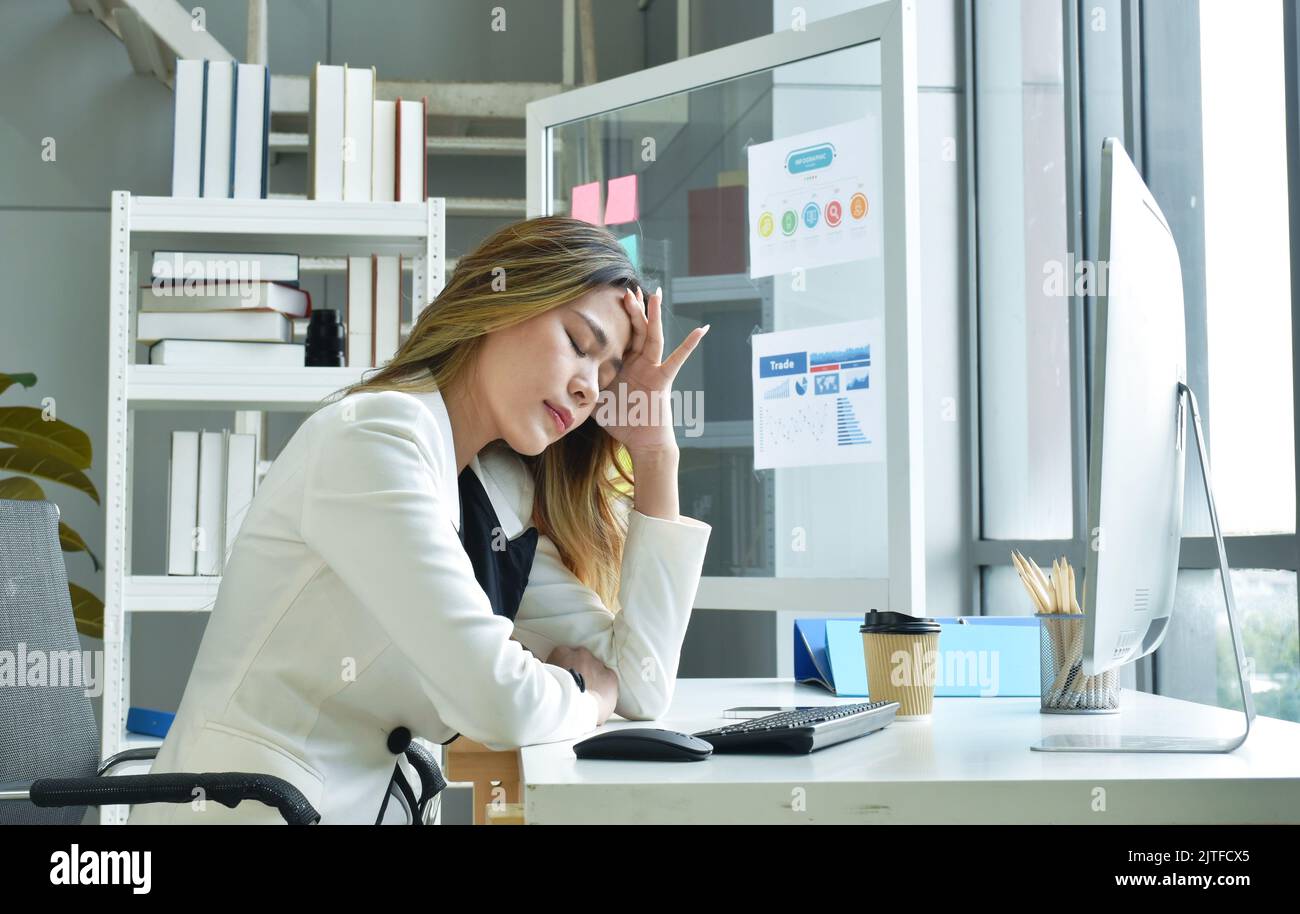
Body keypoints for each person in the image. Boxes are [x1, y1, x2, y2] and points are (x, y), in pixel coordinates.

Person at [127, 217, 711, 824]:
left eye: (608, 374)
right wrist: (587, 699)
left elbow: (639, 685)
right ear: (498, 301)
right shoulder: (374, 441)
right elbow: (497, 698)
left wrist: (654, 453)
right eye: (578, 344)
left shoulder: (493, 491)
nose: (590, 388)